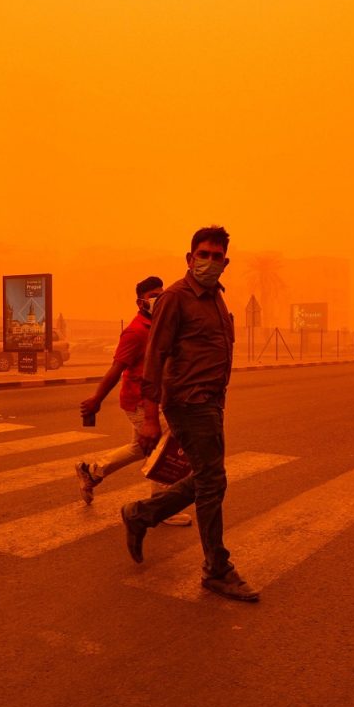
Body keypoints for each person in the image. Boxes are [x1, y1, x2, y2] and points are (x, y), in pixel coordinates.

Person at [120, 226, 260, 603]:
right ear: (189, 257)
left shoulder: (216, 300)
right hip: (186, 401)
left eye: (217, 256)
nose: (210, 262)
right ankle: (216, 568)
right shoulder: (175, 299)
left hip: (212, 403)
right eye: (204, 254)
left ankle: (141, 513)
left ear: (225, 262)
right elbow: (155, 358)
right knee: (213, 482)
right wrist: (151, 417)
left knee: (209, 479)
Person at [75, 276, 192, 526]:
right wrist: (97, 398)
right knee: (165, 444)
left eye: (162, 295)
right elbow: (117, 368)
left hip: (155, 397)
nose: (159, 300)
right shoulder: (135, 332)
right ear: (141, 302)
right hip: (139, 400)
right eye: (154, 296)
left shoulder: (160, 326)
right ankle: (161, 506)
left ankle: (92, 471)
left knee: (140, 447)